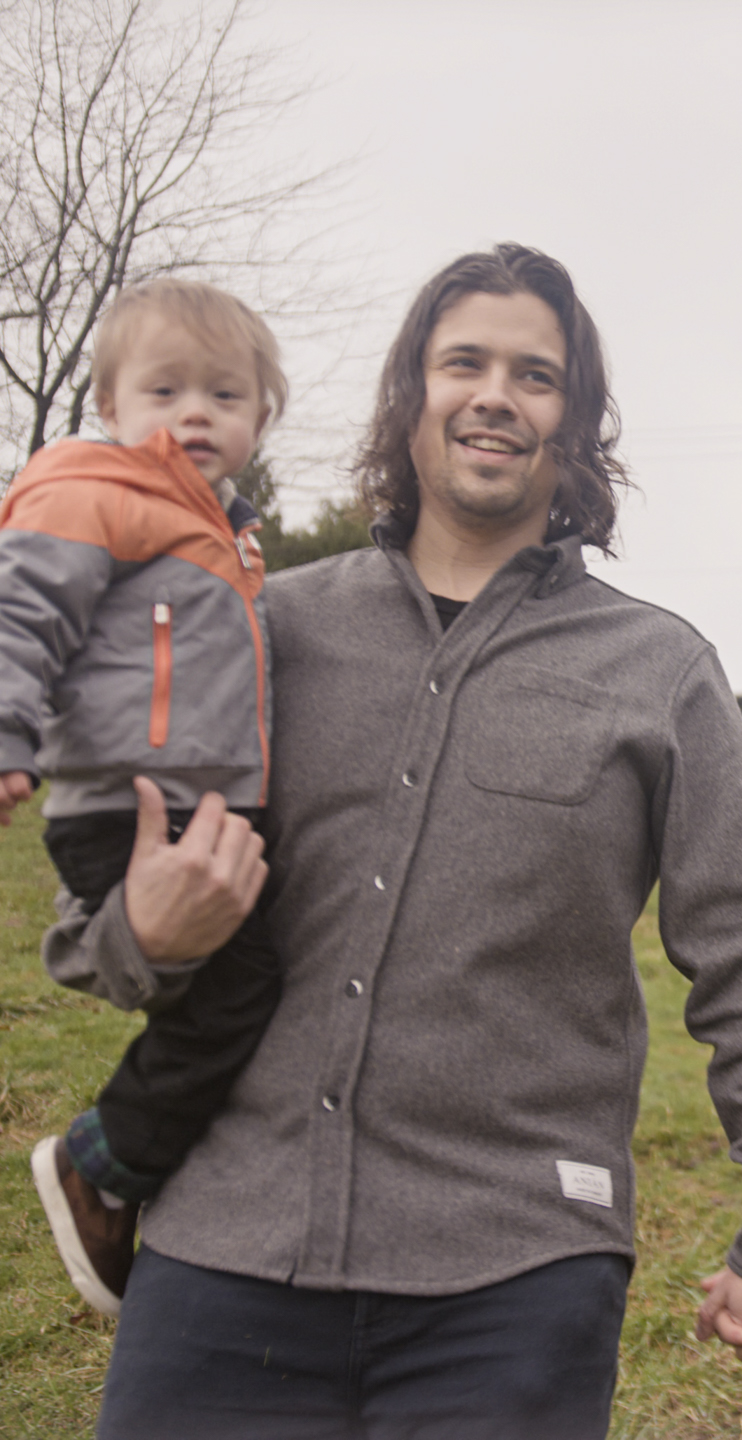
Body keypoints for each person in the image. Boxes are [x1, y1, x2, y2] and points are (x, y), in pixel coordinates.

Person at [45, 245, 742, 1440]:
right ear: (406, 396)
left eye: (536, 375)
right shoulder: (260, 629)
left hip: (518, 1274)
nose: (494, 394)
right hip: (225, 1253)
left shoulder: (659, 671)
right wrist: (143, 934)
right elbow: (95, 926)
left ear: (572, 422)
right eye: (462, 361)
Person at [0, 279, 282, 1317]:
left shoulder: (228, 534)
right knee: (240, 994)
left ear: (261, 417)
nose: (195, 413)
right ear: (111, 408)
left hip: (200, 803)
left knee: (254, 988)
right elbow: (17, 619)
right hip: (129, 807)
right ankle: (101, 1164)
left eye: (225, 393)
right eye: (164, 390)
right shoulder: (89, 488)